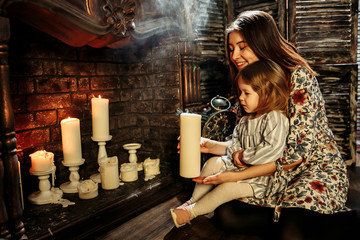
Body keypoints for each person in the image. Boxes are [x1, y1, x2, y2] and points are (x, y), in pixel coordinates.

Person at [175, 10, 349, 227]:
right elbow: (245, 142)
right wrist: (206, 145)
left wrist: (233, 176)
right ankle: (283, 216)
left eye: (242, 47)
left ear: (262, 42)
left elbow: (295, 156)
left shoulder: (298, 77)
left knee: (292, 230)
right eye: (231, 49)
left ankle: (327, 218)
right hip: (266, 173)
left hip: (309, 167)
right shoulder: (247, 85)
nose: (234, 55)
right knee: (225, 216)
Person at [171, 60, 291, 228]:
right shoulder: (246, 121)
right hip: (241, 168)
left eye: (246, 93)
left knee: (227, 188)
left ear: (267, 93)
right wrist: (213, 147)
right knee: (212, 162)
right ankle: (193, 200)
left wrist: (243, 155)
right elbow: (234, 146)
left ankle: (192, 212)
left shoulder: (275, 118)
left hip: (262, 178)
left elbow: (273, 151)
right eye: (240, 92)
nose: (240, 98)